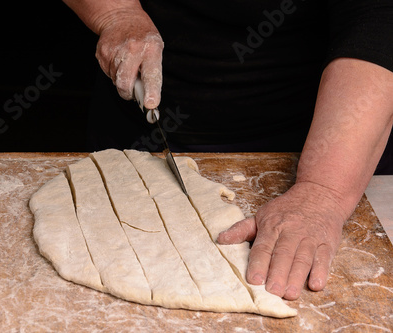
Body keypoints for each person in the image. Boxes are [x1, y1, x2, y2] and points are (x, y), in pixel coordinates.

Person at [63, 0, 393, 300]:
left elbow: (379, 19)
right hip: (140, 121)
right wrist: (116, 13)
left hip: (329, 132)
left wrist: (324, 192)